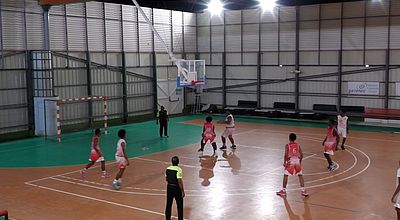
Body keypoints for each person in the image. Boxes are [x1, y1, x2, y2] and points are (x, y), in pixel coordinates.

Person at [276, 133, 308, 197]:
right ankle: (303, 191)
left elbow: (285, 155)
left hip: (291, 161)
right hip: (297, 161)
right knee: (300, 175)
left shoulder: (287, 145)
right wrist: (300, 162)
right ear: (295, 139)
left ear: (289, 138)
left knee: (286, 175)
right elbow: (301, 155)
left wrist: (284, 162)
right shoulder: (298, 145)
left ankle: (283, 191)